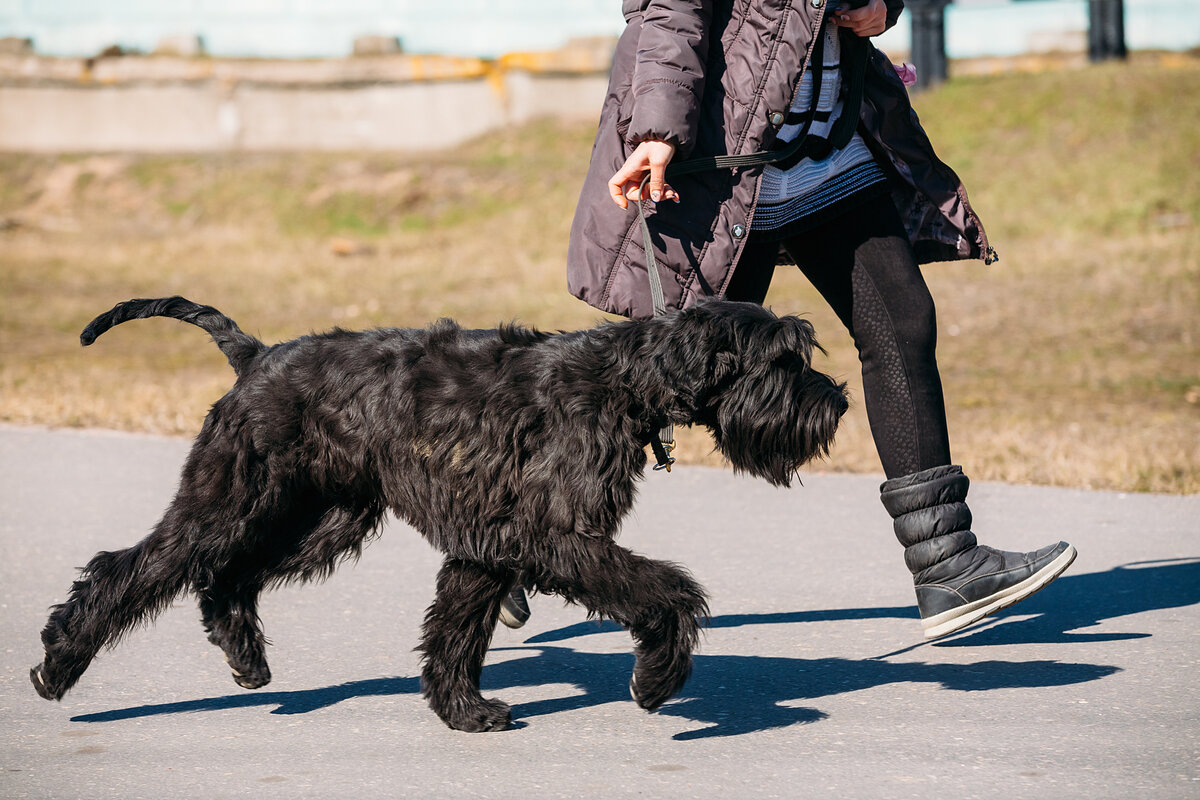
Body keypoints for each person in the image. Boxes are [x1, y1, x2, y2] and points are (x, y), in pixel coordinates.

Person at [500, 0, 1075, 640]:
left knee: (902, 323)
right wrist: (656, 131)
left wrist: (882, 7)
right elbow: (667, 11)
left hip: (828, 150)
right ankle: (521, 546)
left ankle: (946, 560)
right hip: (728, 167)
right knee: (658, 387)